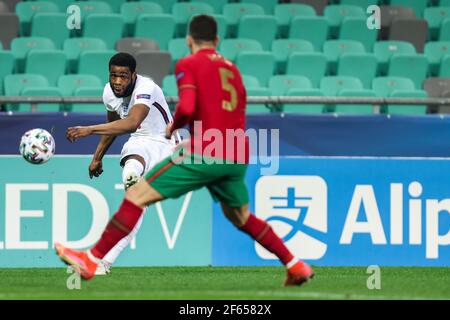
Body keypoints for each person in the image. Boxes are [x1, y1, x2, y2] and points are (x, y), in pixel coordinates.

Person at [56, 15, 314, 286]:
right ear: (217, 41)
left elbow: (188, 107)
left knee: (136, 196)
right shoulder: (233, 69)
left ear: (189, 40)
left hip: (207, 150)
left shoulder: (188, 64)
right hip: (237, 149)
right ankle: (294, 264)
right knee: (240, 216)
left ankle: (92, 260)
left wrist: (174, 127)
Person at [65, 52, 177, 275]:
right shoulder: (109, 92)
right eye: (113, 75)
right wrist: (98, 156)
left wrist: (88, 130)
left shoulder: (147, 87)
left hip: (165, 144)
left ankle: (133, 179)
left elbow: (131, 123)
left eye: (123, 76)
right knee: (135, 196)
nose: (117, 81)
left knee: (135, 167)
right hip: (139, 143)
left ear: (133, 75)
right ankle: (105, 263)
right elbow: (113, 125)